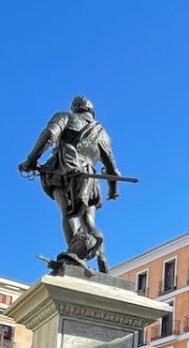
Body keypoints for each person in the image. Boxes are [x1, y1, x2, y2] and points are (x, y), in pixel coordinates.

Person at [18, 95, 121, 273]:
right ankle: (102, 256)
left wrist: (30, 160)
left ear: (75, 108)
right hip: (90, 176)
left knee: (69, 213)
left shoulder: (65, 116)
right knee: (88, 220)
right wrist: (113, 191)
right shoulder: (103, 134)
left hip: (65, 169)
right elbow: (112, 171)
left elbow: (49, 134)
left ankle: (74, 258)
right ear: (91, 111)